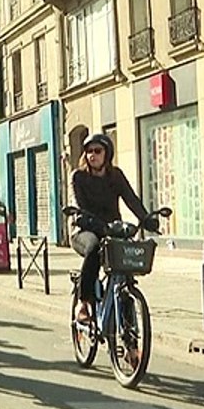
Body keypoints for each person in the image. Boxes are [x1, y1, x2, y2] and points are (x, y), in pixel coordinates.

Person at [70, 133, 155, 322]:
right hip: (85, 231)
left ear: (107, 154)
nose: (93, 155)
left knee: (124, 267)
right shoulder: (79, 177)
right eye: (89, 151)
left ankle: (129, 340)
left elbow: (131, 199)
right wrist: (83, 218)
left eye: (97, 151)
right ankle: (83, 303)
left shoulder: (115, 176)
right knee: (93, 248)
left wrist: (147, 218)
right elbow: (78, 205)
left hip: (111, 230)